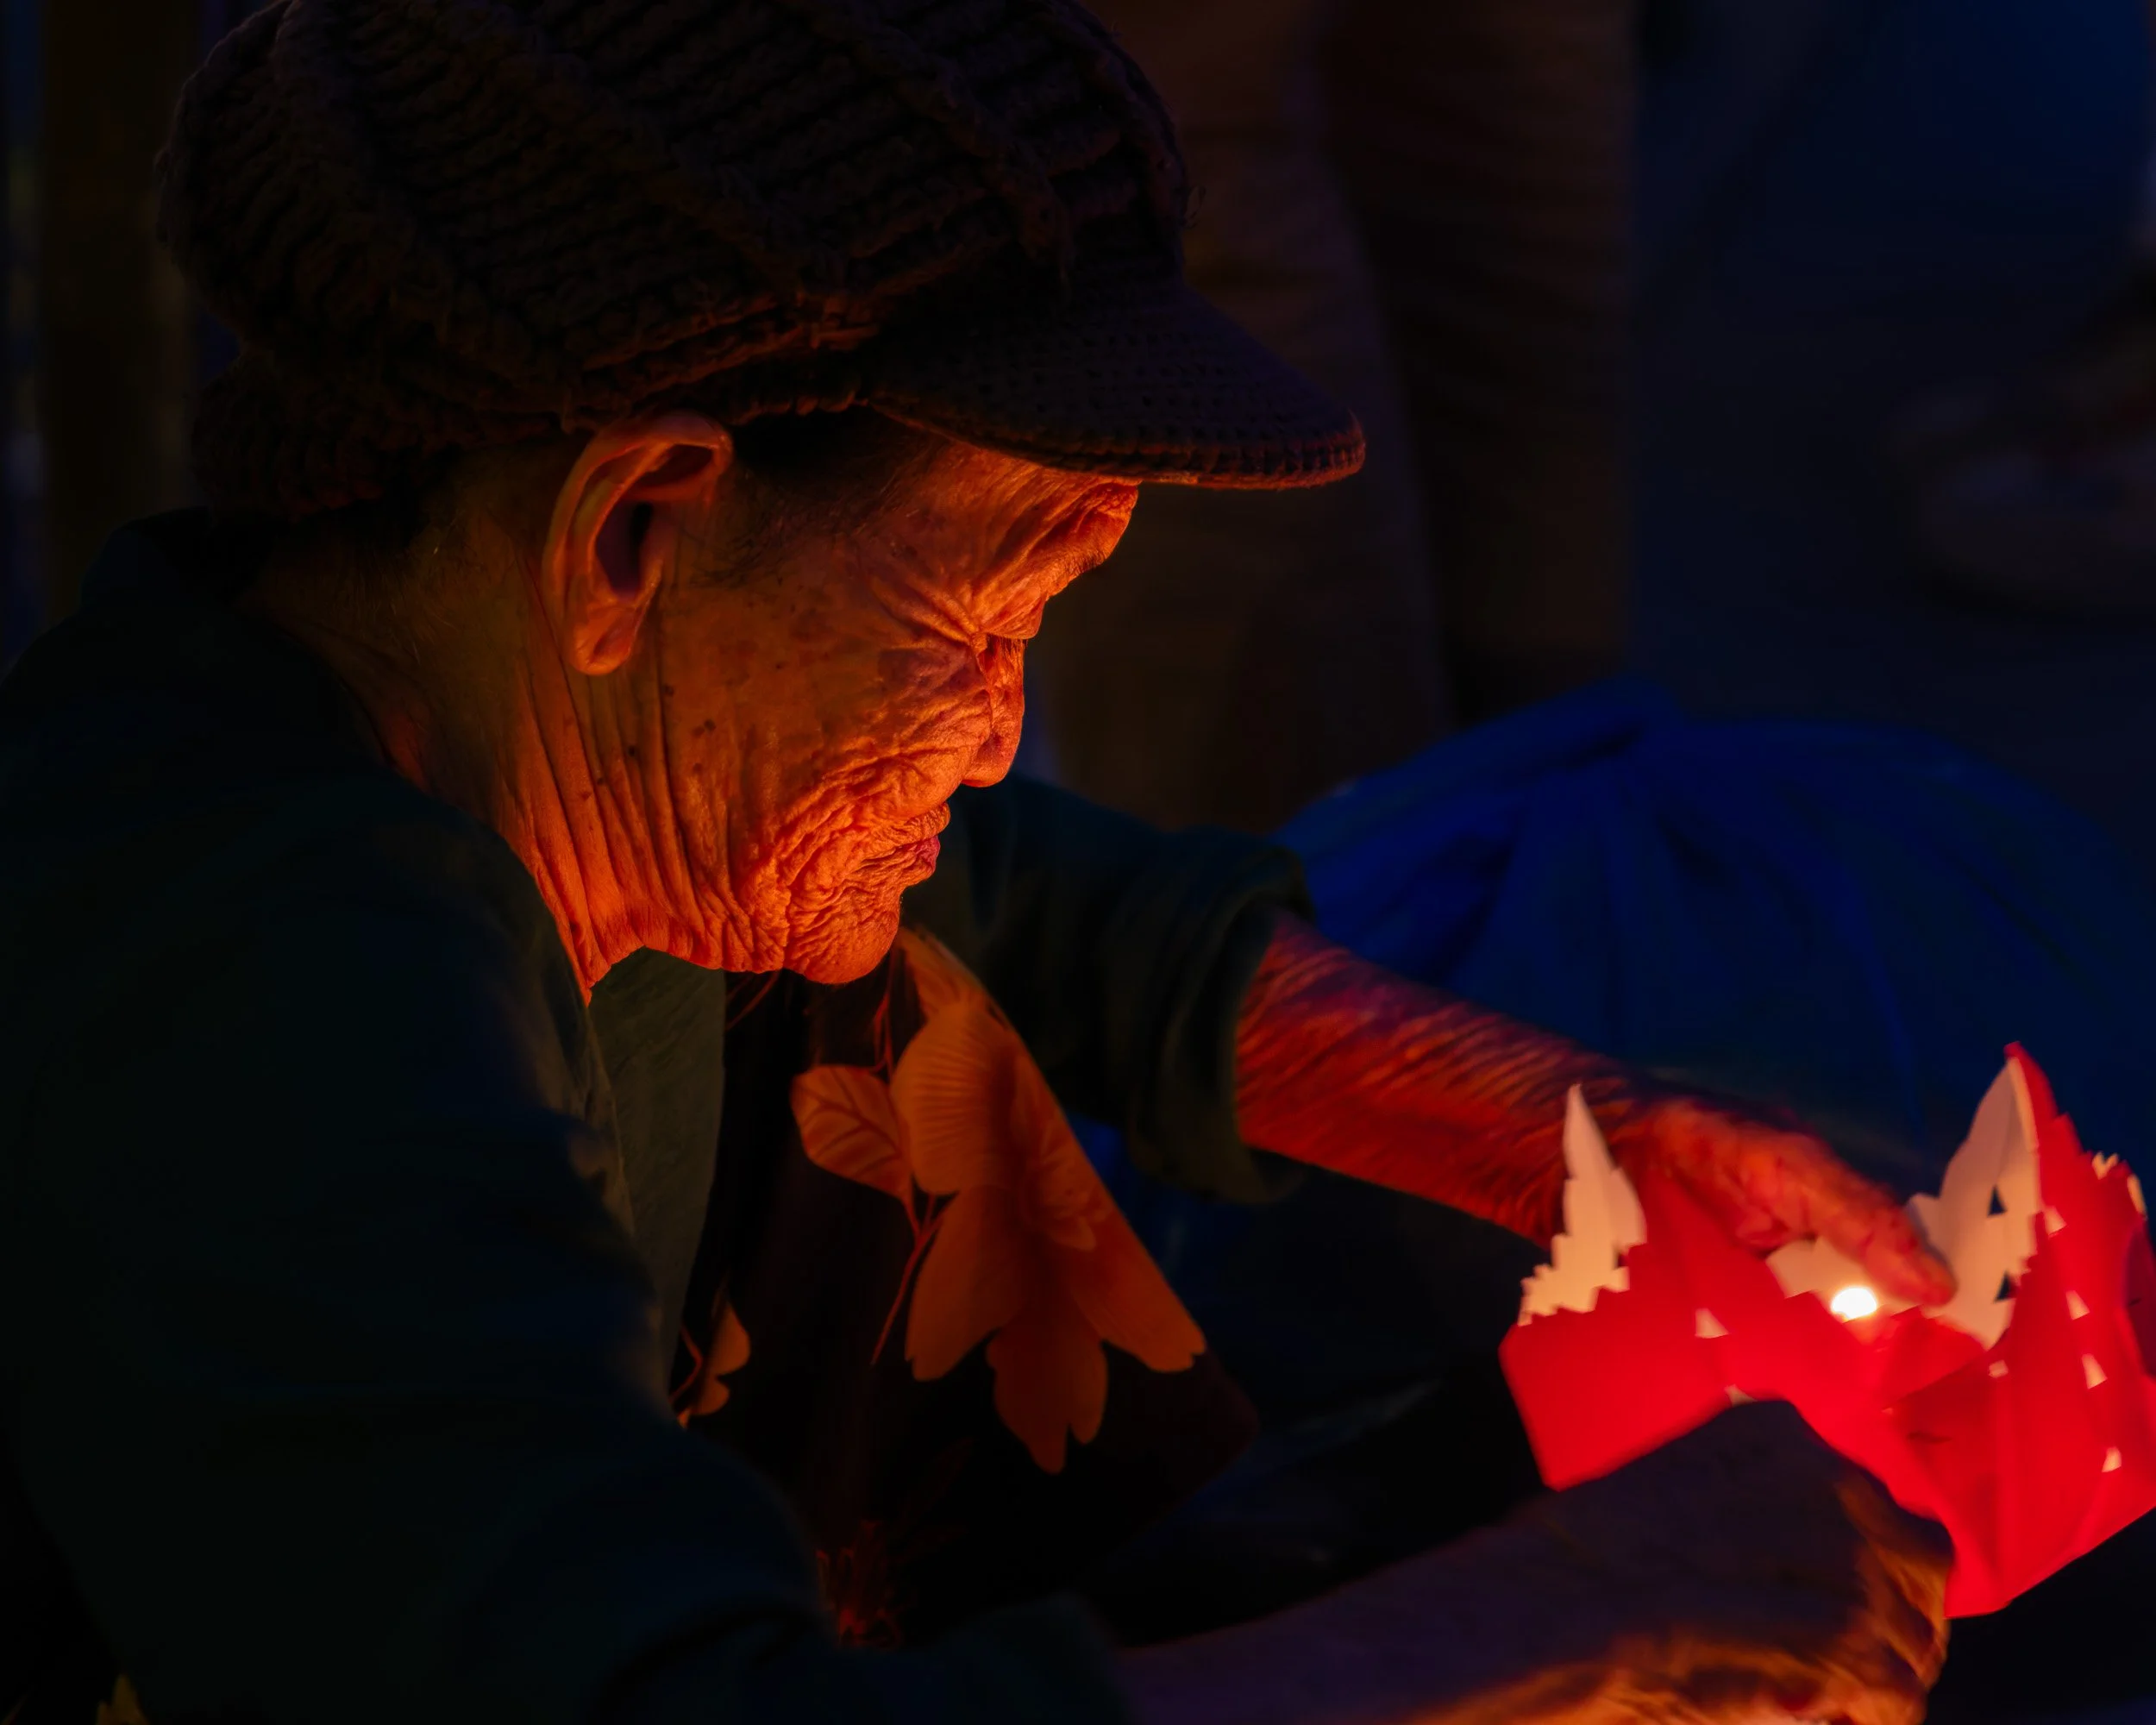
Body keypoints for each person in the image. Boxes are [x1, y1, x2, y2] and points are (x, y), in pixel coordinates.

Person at [0, 3, 1952, 1721]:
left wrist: (1585, 1133)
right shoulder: (266, 1004)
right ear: (631, 529)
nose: (1005, 724)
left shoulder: (554, 730)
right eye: (988, 617)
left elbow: (1037, 906)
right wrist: (1565, 1615)